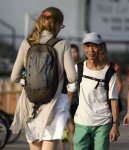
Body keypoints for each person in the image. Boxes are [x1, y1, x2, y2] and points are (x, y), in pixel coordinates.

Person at [10, 7, 76, 150]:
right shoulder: (62, 44)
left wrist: (27, 81)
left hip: (31, 103)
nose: (60, 28)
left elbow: (14, 76)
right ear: (56, 23)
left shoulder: (26, 43)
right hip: (55, 103)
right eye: (61, 25)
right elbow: (72, 77)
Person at [68, 32, 120, 150]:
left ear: (100, 47)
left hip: (103, 123)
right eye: (87, 46)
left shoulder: (110, 73)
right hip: (81, 121)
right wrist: (64, 117)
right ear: (83, 47)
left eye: (94, 46)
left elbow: (114, 100)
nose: (91, 50)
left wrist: (115, 125)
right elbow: (70, 94)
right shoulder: (78, 68)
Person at [61, 44, 80, 150]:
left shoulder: (81, 66)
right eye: (71, 52)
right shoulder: (63, 67)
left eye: (75, 52)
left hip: (77, 101)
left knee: (73, 129)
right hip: (65, 99)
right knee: (63, 129)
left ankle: (73, 148)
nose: (73, 54)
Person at [99, 42, 123, 112]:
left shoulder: (114, 67)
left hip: (111, 104)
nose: (100, 56)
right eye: (99, 53)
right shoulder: (91, 68)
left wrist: (112, 100)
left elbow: (119, 86)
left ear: (106, 51)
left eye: (102, 53)